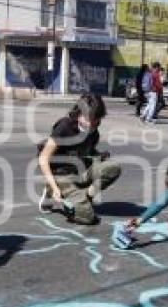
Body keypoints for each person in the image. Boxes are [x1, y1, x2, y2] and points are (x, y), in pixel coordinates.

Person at [39, 93, 121, 224]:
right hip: (62, 175)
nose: (92, 123)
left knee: (113, 168)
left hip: (80, 171)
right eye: (89, 118)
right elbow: (43, 158)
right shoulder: (64, 127)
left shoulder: (94, 132)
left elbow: (87, 151)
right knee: (87, 217)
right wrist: (55, 188)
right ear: (78, 113)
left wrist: (99, 155)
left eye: (96, 120)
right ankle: (50, 189)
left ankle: (85, 196)